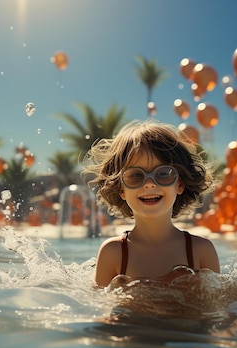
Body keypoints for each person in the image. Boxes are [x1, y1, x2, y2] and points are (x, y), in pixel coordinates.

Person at [83, 120, 220, 288]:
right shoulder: (114, 253)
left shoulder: (200, 251)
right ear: (121, 190)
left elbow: (216, 310)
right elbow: (99, 310)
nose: (149, 184)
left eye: (163, 173)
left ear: (180, 184)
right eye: (135, 176)